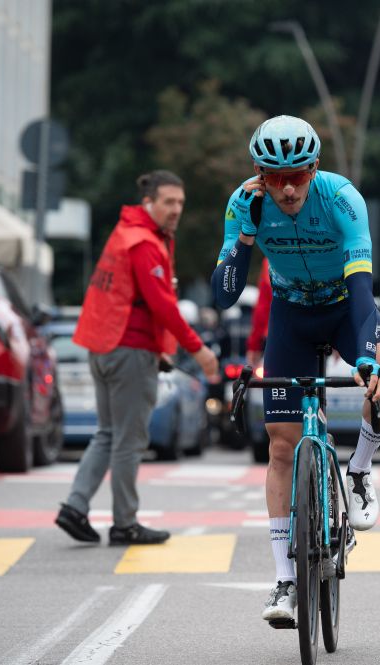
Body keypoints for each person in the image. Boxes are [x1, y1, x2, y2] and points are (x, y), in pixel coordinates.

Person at [211, 115, 380, 624]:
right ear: (260, 174)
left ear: (314, 168)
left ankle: (359, 470)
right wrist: (243, 238)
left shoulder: (342, 199)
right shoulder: (244, 203)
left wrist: (364, 355)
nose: (288, 188)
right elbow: (224, 294)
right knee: (280, 444)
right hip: (290, 315)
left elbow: (363, 291)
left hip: (345, 308)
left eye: (298, 175)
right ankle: (285, 583)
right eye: (275, 177)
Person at [55, 170, 219, 546]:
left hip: (103, 346)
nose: (176, 209)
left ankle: (75, 507)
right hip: (128, 351)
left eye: (180, 202)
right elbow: (163, 305)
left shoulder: (125, 234)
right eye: (168, 202)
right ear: (149, 203)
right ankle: (124, 523)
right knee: (129, 441)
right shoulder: (144, 243)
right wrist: (198, 349)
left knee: (108, 434)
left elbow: (136, 300)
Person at [246, 257, 272, 368]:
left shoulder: (273, 258)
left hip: (281, 333)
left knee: (278, 382)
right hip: (321, 333)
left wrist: (254, 346)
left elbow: (263, 308)